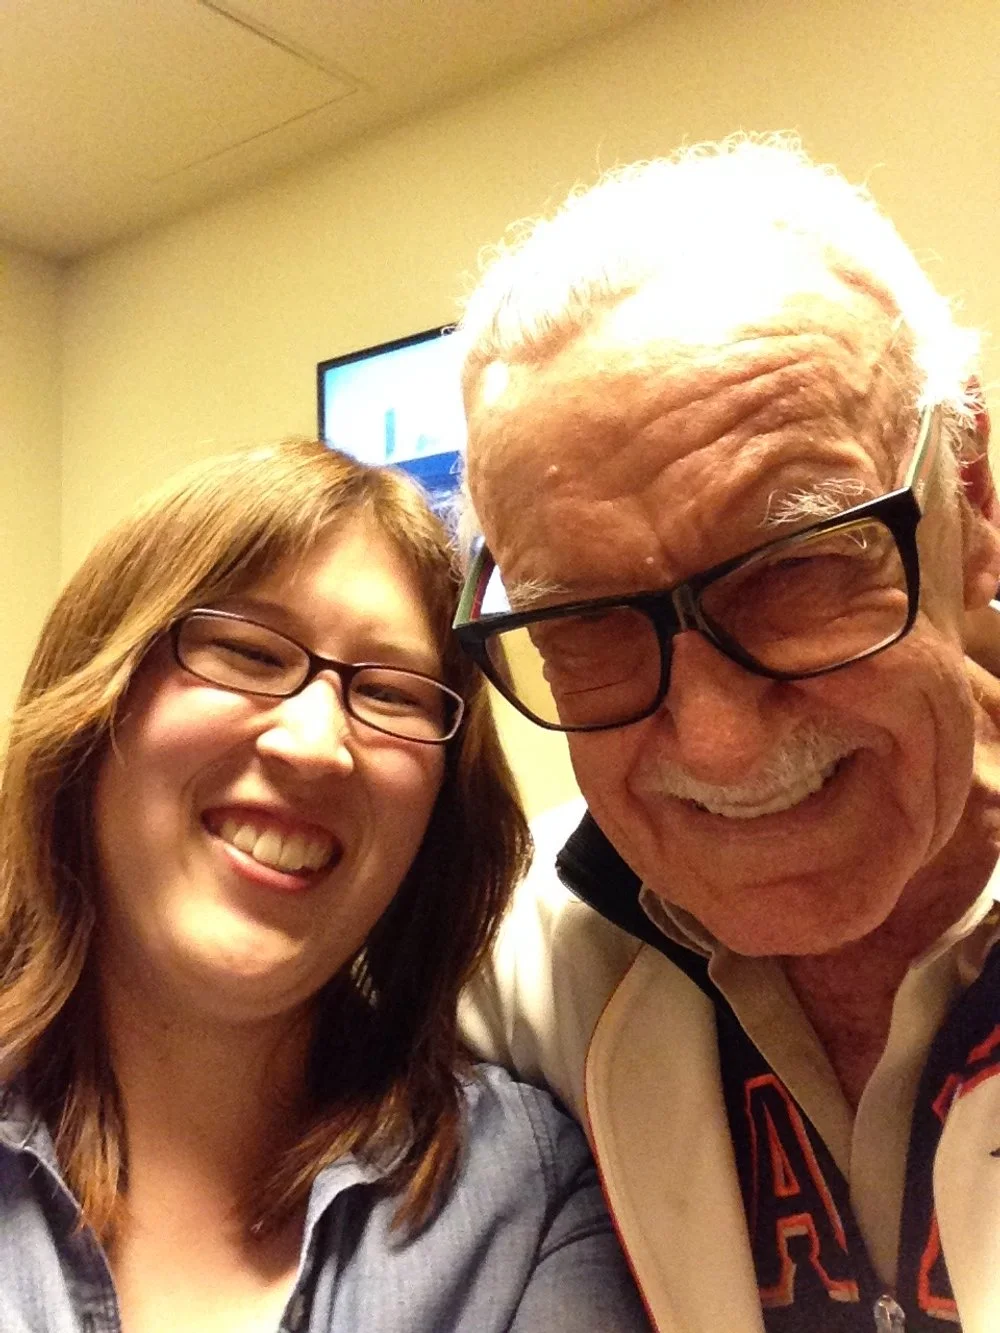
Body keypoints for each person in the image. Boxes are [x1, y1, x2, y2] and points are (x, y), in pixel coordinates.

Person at [454, 134, 1000, 1333]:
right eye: (584, 622)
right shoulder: (531, 964)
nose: (716, 747)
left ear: (968, 499)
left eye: (797, 565)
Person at [0, 439, 650, 1332]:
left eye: (394, 693)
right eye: (245, 652)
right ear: (95, 703)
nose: (314, 743)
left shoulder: (522, 1199)